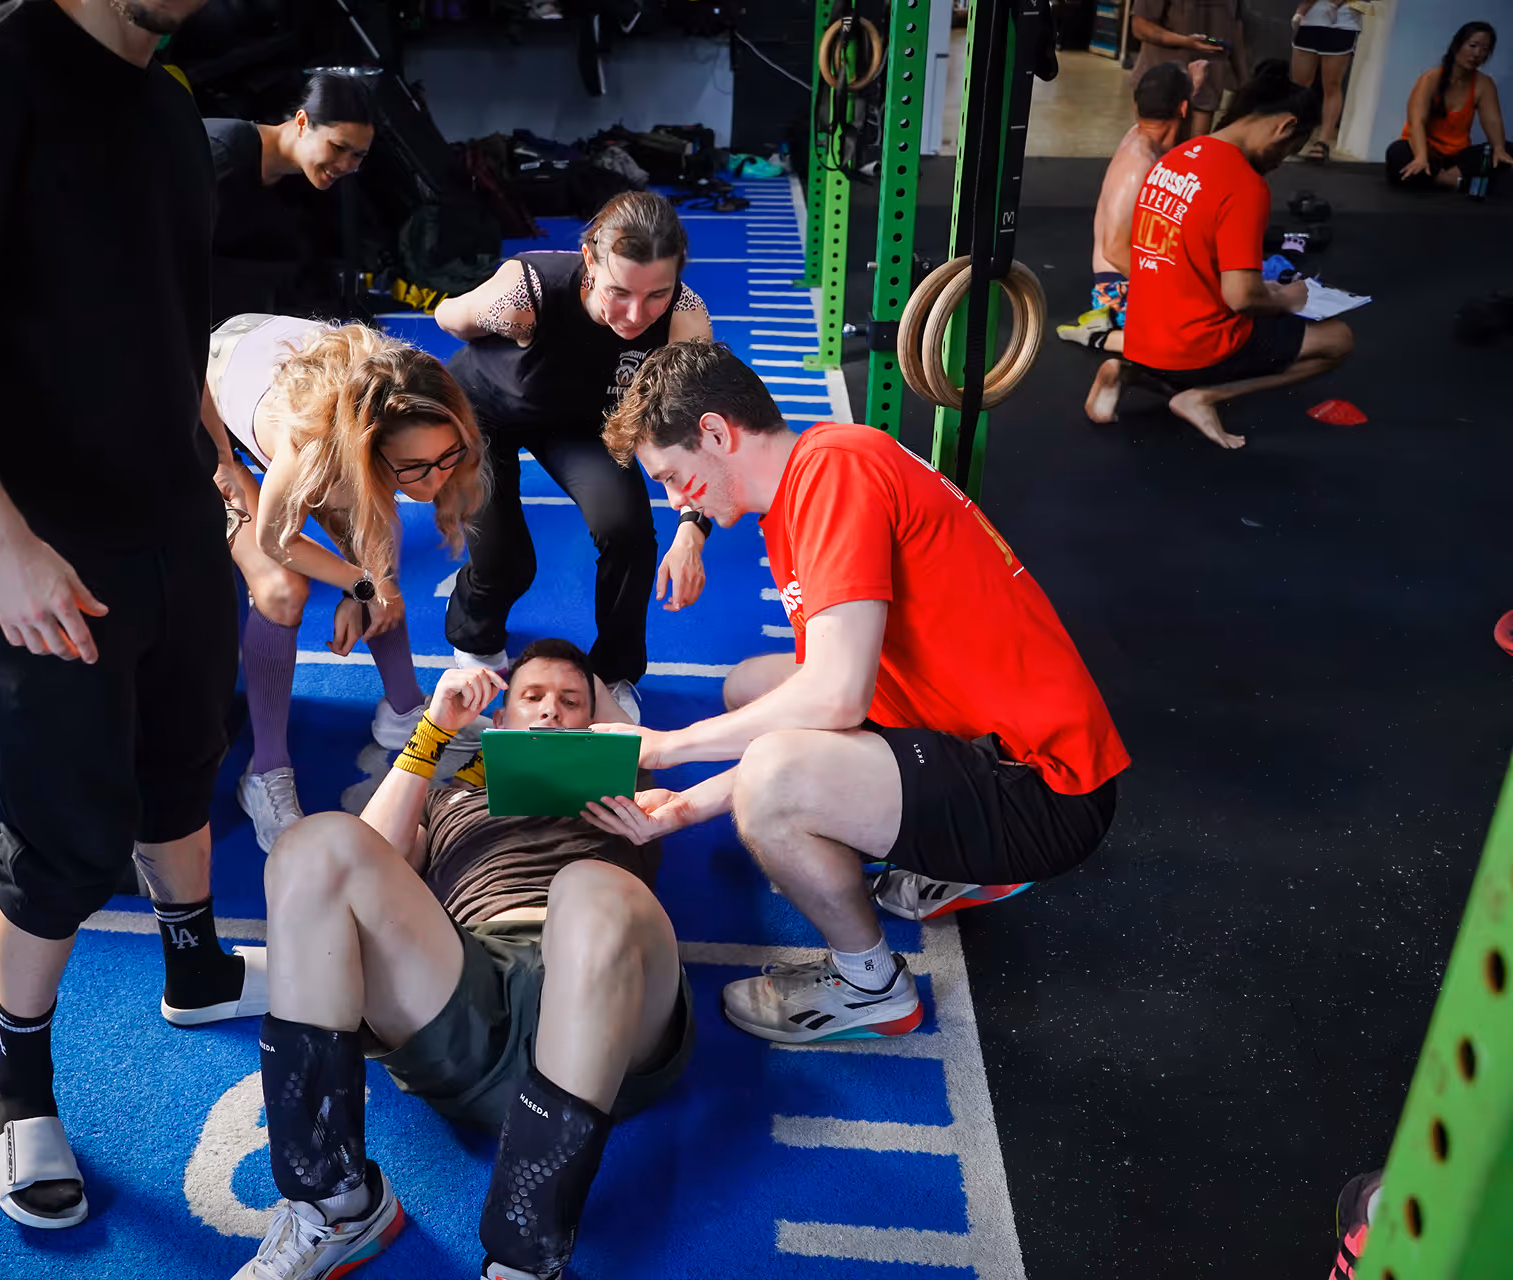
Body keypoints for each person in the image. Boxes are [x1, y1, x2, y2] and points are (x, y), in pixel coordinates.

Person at [0, 0, 260, 1232]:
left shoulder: (171, 101)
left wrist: (224, 467)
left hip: (172, 513)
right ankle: (17, 1080)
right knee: (67, 836)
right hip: (43, 542)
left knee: (185, 754)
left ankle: (193, 960)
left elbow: (166, 318)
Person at [585, 340, 1128, 1045]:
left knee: (774, 782)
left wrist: (665, 747)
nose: (674, 500)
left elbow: (837, 701)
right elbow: (830, 703)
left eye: (674, 476)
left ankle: (871, 985)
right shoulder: (817, 472)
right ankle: (937, 862)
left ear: (717, 433)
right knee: (753, 688)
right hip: (987, 744)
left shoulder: (832, 478)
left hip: (1043, 792)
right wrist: (683, 809)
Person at [235, 641, 690, 1280]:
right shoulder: (451, 797)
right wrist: (435, 730)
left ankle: (522, 1262)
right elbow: (368, 851)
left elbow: (626, 730)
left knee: (590, 887)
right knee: (314, 846)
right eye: (531, 698)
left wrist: (609, 729)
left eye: (571, 703)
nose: (550, 713)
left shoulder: (631, 796)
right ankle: (334, 1206)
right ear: (498, 722)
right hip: (469, 994)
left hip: (606, 1001)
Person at [202, 316, 488, 850]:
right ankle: (264, 773)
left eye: (446, 459)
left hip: (298, 382)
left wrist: (374, 583)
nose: (433, 482)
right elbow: (275, 541)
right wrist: (358, 585)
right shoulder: (312, 448)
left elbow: (379, 539)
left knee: (382, 569)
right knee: (282, 591)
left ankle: (405, 712)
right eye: (414, 469)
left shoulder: (409, 396)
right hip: (207, 406)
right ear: (368, 450)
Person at [433, 191, 714, 721]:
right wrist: (496, 315)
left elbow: (696, 431)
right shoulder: (527, 288)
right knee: (506, 561)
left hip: (586, 424)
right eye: (620, 292)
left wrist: (693, 528)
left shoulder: (685, 319)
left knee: (628, 533)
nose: (636, 315)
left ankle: (614, 674)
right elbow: (447, 315)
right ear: (589, 260)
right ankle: (475, 645)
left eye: (657, 293)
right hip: (484, 412)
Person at [1086, 61, 1355, 450]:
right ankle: (1204, 397)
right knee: (1338, 339)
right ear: (1284, 127)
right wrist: (1286, 297)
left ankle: (1130, 374)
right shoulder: (1245, 184)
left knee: (1207, 329)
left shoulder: (1175, 158)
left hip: (1140, 338)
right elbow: (1241, 297)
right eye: (1289, 150)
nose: (1280, 161)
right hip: (1192, 347)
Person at [202, 71, 376, 320]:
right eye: (338, 147)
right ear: (302, 123)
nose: (346, 165)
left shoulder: (311, 184)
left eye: (358, 155)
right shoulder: (221, 151)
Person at [1057, 62, 1197, 353]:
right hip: (1118, 287)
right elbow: (1113, 249)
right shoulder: (1137, 167)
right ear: (1184, 109)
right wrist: (1176, 289)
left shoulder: (1149, 135)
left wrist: (1194, 81)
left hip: (1142, 269)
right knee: (1206, 332)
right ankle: (1102, 336)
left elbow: (1191, 145)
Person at [1386, 23, 1510, 195]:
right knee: (1397, 153)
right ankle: (1457, 183)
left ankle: (1440, 180)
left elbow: (1493, 121)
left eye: (1484, 49)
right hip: (1424, 151)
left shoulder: (1484, 84)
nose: (1477, 54)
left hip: (1457, 160)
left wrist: (1499, 149)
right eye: (1472, 46)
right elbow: (1416, 123)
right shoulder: (1431, 78)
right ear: (1457, 45)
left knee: (1507, 151)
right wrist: (1421, 158)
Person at [1130, 0, 1246, 137]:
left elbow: (1235, 29)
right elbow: (1140, 26)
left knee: (1190, 153)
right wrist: (1184, 41)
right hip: (1161, 86)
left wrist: (1244, 82)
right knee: (1156, 151)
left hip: (1207, 86)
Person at [1290, 0, 1361, 162]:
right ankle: (1297, 132)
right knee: (1299, 85)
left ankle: (1323, 141)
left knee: (1331, 84)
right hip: (1310, 19)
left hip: (1342, 21)